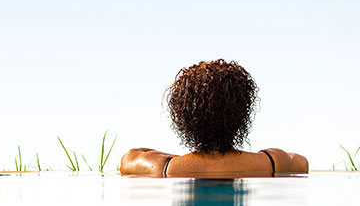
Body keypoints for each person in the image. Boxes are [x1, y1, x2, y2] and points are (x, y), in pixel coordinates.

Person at [120, 60, 308, 177]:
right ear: (242, 112)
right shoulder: (271, 162)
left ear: (184, 117)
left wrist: (184, 159)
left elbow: (129, 159)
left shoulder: (165, 167)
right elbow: (301, 162)